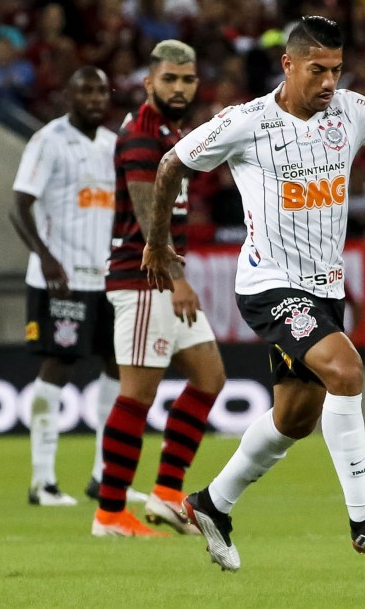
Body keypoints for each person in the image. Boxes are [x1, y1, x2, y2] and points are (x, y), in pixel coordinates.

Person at [141, 16, 365, 570]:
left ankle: (211, 502)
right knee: (346, 370)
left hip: (323, 290)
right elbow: (169, 165)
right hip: (269, 286)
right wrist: (158, 244)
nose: (330, 82)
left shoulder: (350, 112)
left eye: (336, 69)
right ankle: (364, 521)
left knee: (294, 419)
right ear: (288, 65)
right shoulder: (246, 122)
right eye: (318, 70)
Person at [90, 40, 226, 538]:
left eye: (187, 80)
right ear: (149, 82)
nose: (179, 87)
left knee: (210, 377)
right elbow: (151, 218)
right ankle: (109, 513)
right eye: (170, 79)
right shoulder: (143, 136)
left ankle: (167, 496)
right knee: (137, 396)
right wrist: (179, 280)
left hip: (161, 281)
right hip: (144, 279)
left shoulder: (172, 131)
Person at [9, 66, 134, 506]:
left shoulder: (112, 143)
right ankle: (42, 481)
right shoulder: (48, 141)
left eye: (102, 90)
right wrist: (46, 257)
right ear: (69, 95)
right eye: (87, 90)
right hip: (60, 279)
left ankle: (105, 476)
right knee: (58, 366)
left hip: (106, 277)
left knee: (118, 365)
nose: (97, 98)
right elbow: (20, 205)